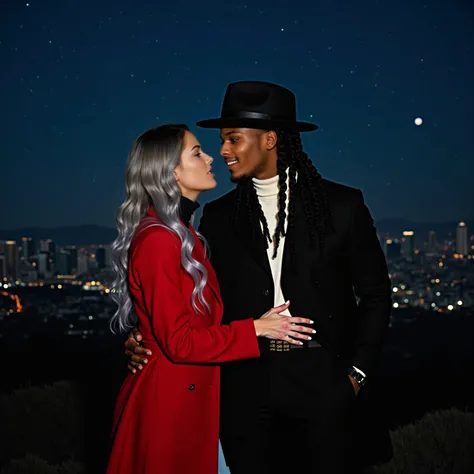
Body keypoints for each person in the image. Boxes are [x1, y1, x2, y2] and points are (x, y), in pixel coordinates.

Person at [124, 82, 393, 473]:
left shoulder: (342, 206)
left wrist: (356, 375)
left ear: (269, 139)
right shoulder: (216, 216)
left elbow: (376, 295)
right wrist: (141, 337)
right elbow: (185, 300)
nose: (223, 151)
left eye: (233, 139)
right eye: (219, 141)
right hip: (242, 388)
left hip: (324, 381)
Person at [105, 124, 315, 474]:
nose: (210, 157)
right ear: (171, 171)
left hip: (194, 399)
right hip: (170, 406)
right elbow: (180, 341)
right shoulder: (160, 240)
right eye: (197, 152)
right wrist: (258, 329)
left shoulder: (184, 234)